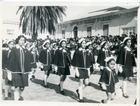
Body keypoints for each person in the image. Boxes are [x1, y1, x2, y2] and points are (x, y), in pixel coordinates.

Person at [7, 35, 32, 101]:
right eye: (21, 40)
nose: (22, 41)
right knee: (16, 87)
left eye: (23, 40)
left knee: (22, 87)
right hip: (16, 71)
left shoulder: (25, 50)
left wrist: (29, 72)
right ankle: (16, 100)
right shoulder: (14, 50)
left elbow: (28, 61)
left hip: (24, 72)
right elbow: (10, 61)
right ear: (18, 40)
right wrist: (9, 72)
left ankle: (18, 96)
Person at [72, 38, 93, 102]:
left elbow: (89, 61)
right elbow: (75, 61)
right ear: (80, 44)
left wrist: (89, 70)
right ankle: (80, 97)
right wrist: (76, 70)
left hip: (86, 69)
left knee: (86, 83)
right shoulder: (77, 51)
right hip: (80, 69)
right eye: (83, 43)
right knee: (80, 82)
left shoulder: (87, 51)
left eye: (85, 43)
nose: (84, 44)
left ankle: (78, 91)